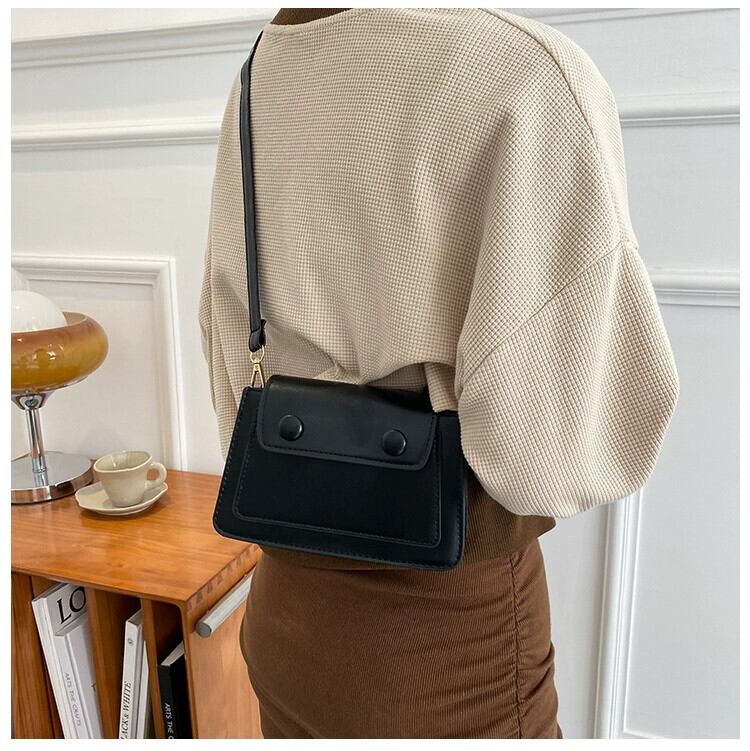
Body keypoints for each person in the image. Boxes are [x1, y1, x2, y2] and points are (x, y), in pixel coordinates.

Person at [199, 8, 678, 739]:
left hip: (285, 620)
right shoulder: (526, 72)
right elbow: (552, 454)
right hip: (443, 647)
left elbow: (227, 345)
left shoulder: (262, 69)